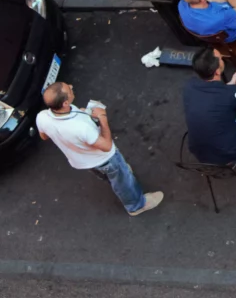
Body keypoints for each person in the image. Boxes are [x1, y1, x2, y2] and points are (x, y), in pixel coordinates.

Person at [37, 82, 163, 216]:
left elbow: (44, 136)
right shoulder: (81, 128)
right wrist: (102, 118)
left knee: (109, 176)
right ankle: (136, 205)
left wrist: (81, 115)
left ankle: (116, 179)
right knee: (123, 180)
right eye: (69, 89)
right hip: (105, 159)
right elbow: (107, 146)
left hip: (82, 161)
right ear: (65, 103)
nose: (71, 86)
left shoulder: (42, 117)